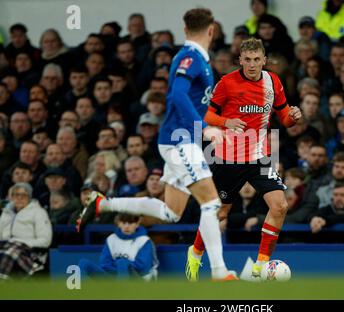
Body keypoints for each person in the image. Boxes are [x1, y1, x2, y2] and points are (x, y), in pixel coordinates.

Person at [78, 8, 237, 281]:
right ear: (211, 31)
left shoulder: (195, 58)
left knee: (170, 212)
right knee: (211, 203)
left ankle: (104, 204)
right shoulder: (191, 57)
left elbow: (192, 102)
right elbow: (176, 95)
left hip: (181, 141)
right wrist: (204, 128)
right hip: (180, 140)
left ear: (185, 29)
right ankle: (220, 272)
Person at [187, 37, 303, 281]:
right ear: (240, 60)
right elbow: (206, 114)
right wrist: (226, 122)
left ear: (264, 60)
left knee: (280, 206)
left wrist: (293, 116)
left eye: (257, 60)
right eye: (247, 60)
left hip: (258, 157)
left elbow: (284, 116)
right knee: (220, 214)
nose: (252, 65)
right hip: (228, 158)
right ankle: (195, 253)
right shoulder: (227, 84)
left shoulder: (273, 82)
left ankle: (260, 267)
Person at [78, 213, 158, 280]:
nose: (126, 226)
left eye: (130, 223)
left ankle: (121, 294)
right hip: (113, 278)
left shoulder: (144, 240)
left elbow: (143, 268)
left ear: (137, 224)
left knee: (122, 262)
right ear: (119, 223)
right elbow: (104, 264)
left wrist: (122, 266)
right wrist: (119, 271)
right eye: (123, 223)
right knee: (84, 263)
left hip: (138, 280)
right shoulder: (111, 239)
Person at [0, 183, 52, 280]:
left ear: (30, 197)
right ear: (11, 197)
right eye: (16, 195)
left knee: (10, 253)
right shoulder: (6, 212)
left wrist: (19, 242)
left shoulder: (38, 212)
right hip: (6, 246)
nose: (19, 198)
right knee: (6, 251)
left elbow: (45, 240)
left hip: (31, 252)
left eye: (23, 195)